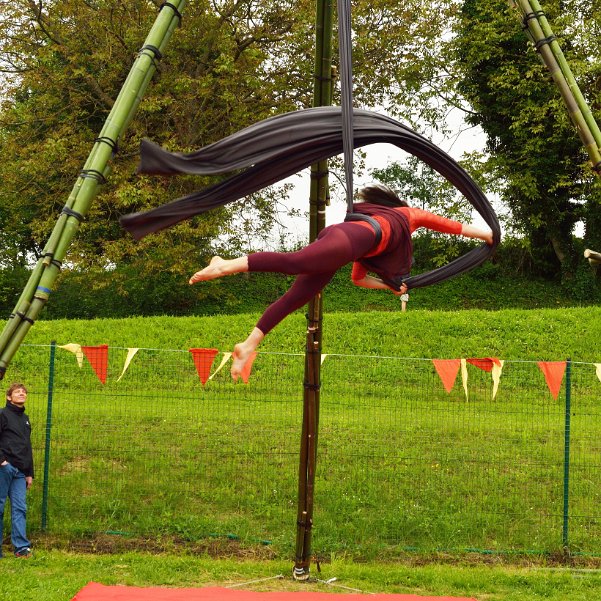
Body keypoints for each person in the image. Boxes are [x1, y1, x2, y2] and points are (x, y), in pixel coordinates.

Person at [189, 185, 493, 380]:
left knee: (296, 297)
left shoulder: (374, 253)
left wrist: (388, 287)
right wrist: (488, 235)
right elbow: (452, 226)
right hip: (346, 238)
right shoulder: (409, 215)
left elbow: (358, 280)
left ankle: (248, 344)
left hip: (345, 246)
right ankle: (224, 265)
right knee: (296, 263)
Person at [0, 383, 34, 558]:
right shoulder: (2, 414)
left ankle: (21, 548)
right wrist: (2, 462)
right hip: (4, 468)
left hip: (21, 472)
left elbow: (27, 447)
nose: (22, 393)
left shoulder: (25, 419)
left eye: (24, 392)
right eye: (17, 391)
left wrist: (29, 473)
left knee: (20, 509)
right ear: (8, 397)